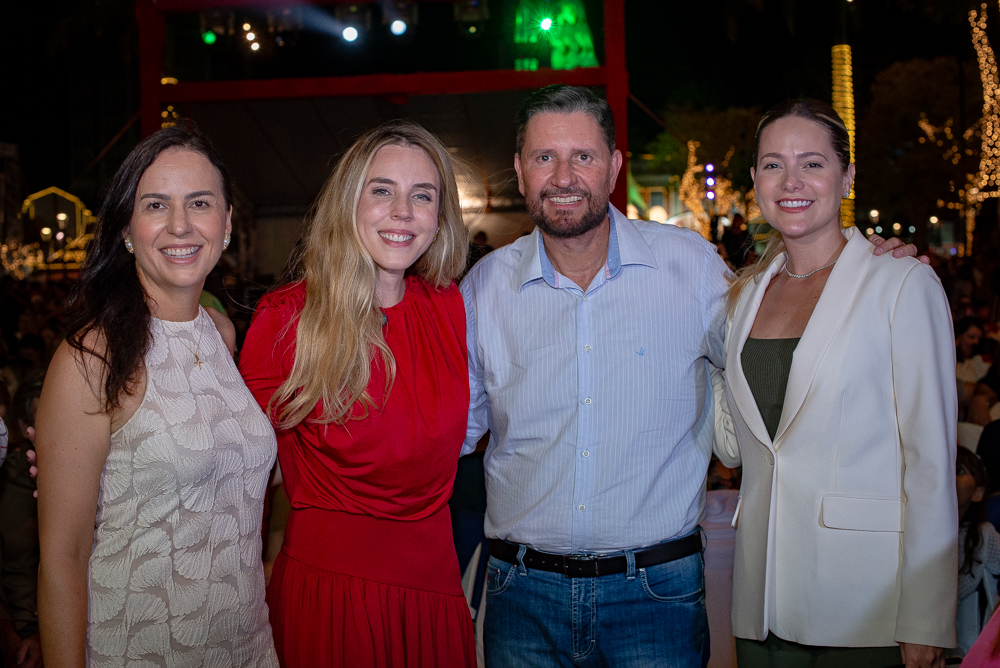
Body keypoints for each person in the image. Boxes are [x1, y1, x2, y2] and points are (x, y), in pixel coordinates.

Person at [461, 84, 919, 668]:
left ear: (614, 167)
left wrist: (860, 266)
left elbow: (782, 347)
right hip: (523, 594)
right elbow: (448, 432)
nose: (564, 176)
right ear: (520, 170)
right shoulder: (484, 290)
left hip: (657, 594)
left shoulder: (690, 266)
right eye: (544, 157)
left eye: (583, 156)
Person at [715, 98, 956, 667]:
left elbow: (930, 461)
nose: (791, 181)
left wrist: (926, 616)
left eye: (812, 163)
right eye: (773, 165)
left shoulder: (901, 283)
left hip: (866, 604)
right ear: (755, 180)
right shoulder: (743, 297)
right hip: (761, 598)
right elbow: (732, 446)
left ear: (847, 177)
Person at [34, 127, 279, 667]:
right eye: (156, 205)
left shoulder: (221, 332)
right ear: (126, 228)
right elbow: (63, 558)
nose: (180, 225)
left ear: (227, 223)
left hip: (245, 648)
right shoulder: (91, 358)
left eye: (200, 203)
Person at [239, 120, 475, 668]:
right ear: (349, 201)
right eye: (382, 191)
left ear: (440, 216)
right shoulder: (287, 319)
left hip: (433, 596)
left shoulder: (449, 309)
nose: (403, 212)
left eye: (423, 196)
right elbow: (234, 473)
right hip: (330, 601)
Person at [956, 447, 1000, 656]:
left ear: (978, 493)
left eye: (960, 471)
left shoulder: (984, 535)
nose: (949, 476)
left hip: (969, 647)